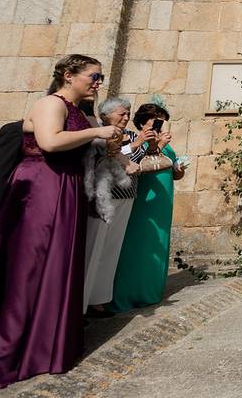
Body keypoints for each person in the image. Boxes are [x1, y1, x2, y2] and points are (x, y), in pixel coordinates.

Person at [0, 55, 121, 391]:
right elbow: (48, 141)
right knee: (29, 266)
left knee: (58, 266)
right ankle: (10, 348)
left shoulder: (81, 111)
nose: (98, 82)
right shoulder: (51, 103)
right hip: (40, 191)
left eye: (101, 77)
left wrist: (107, 143)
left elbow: (84, 149)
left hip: (67, 188)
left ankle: (45, 344)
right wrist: (96, 131)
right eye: (93, 76)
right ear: (67, 75)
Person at [108, 101, 186, 313]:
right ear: (143, 122)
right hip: (144, 197)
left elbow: (172, 169)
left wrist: (179, 168)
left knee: (157, 241)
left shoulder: (167, 144)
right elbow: (128, 160)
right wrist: (154, 145)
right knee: (138, 241)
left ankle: (150, 290)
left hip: (164, 198)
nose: (160, 126)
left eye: (163, 122)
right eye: (156, 121)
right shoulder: (134, 138)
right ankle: (127, 293)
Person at [83, 97, 152, 319]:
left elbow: (137, 161)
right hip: (104, 197)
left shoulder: (131, 134)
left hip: (126, 195)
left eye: (127, 113)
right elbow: (107, 153)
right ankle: (81, 301)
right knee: (93, 248)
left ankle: (99, 300)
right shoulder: (99, 130)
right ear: (105, 116)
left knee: (110, 249)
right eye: (121, 113)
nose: (126, 117)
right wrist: (137, 144)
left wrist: (146, 144)